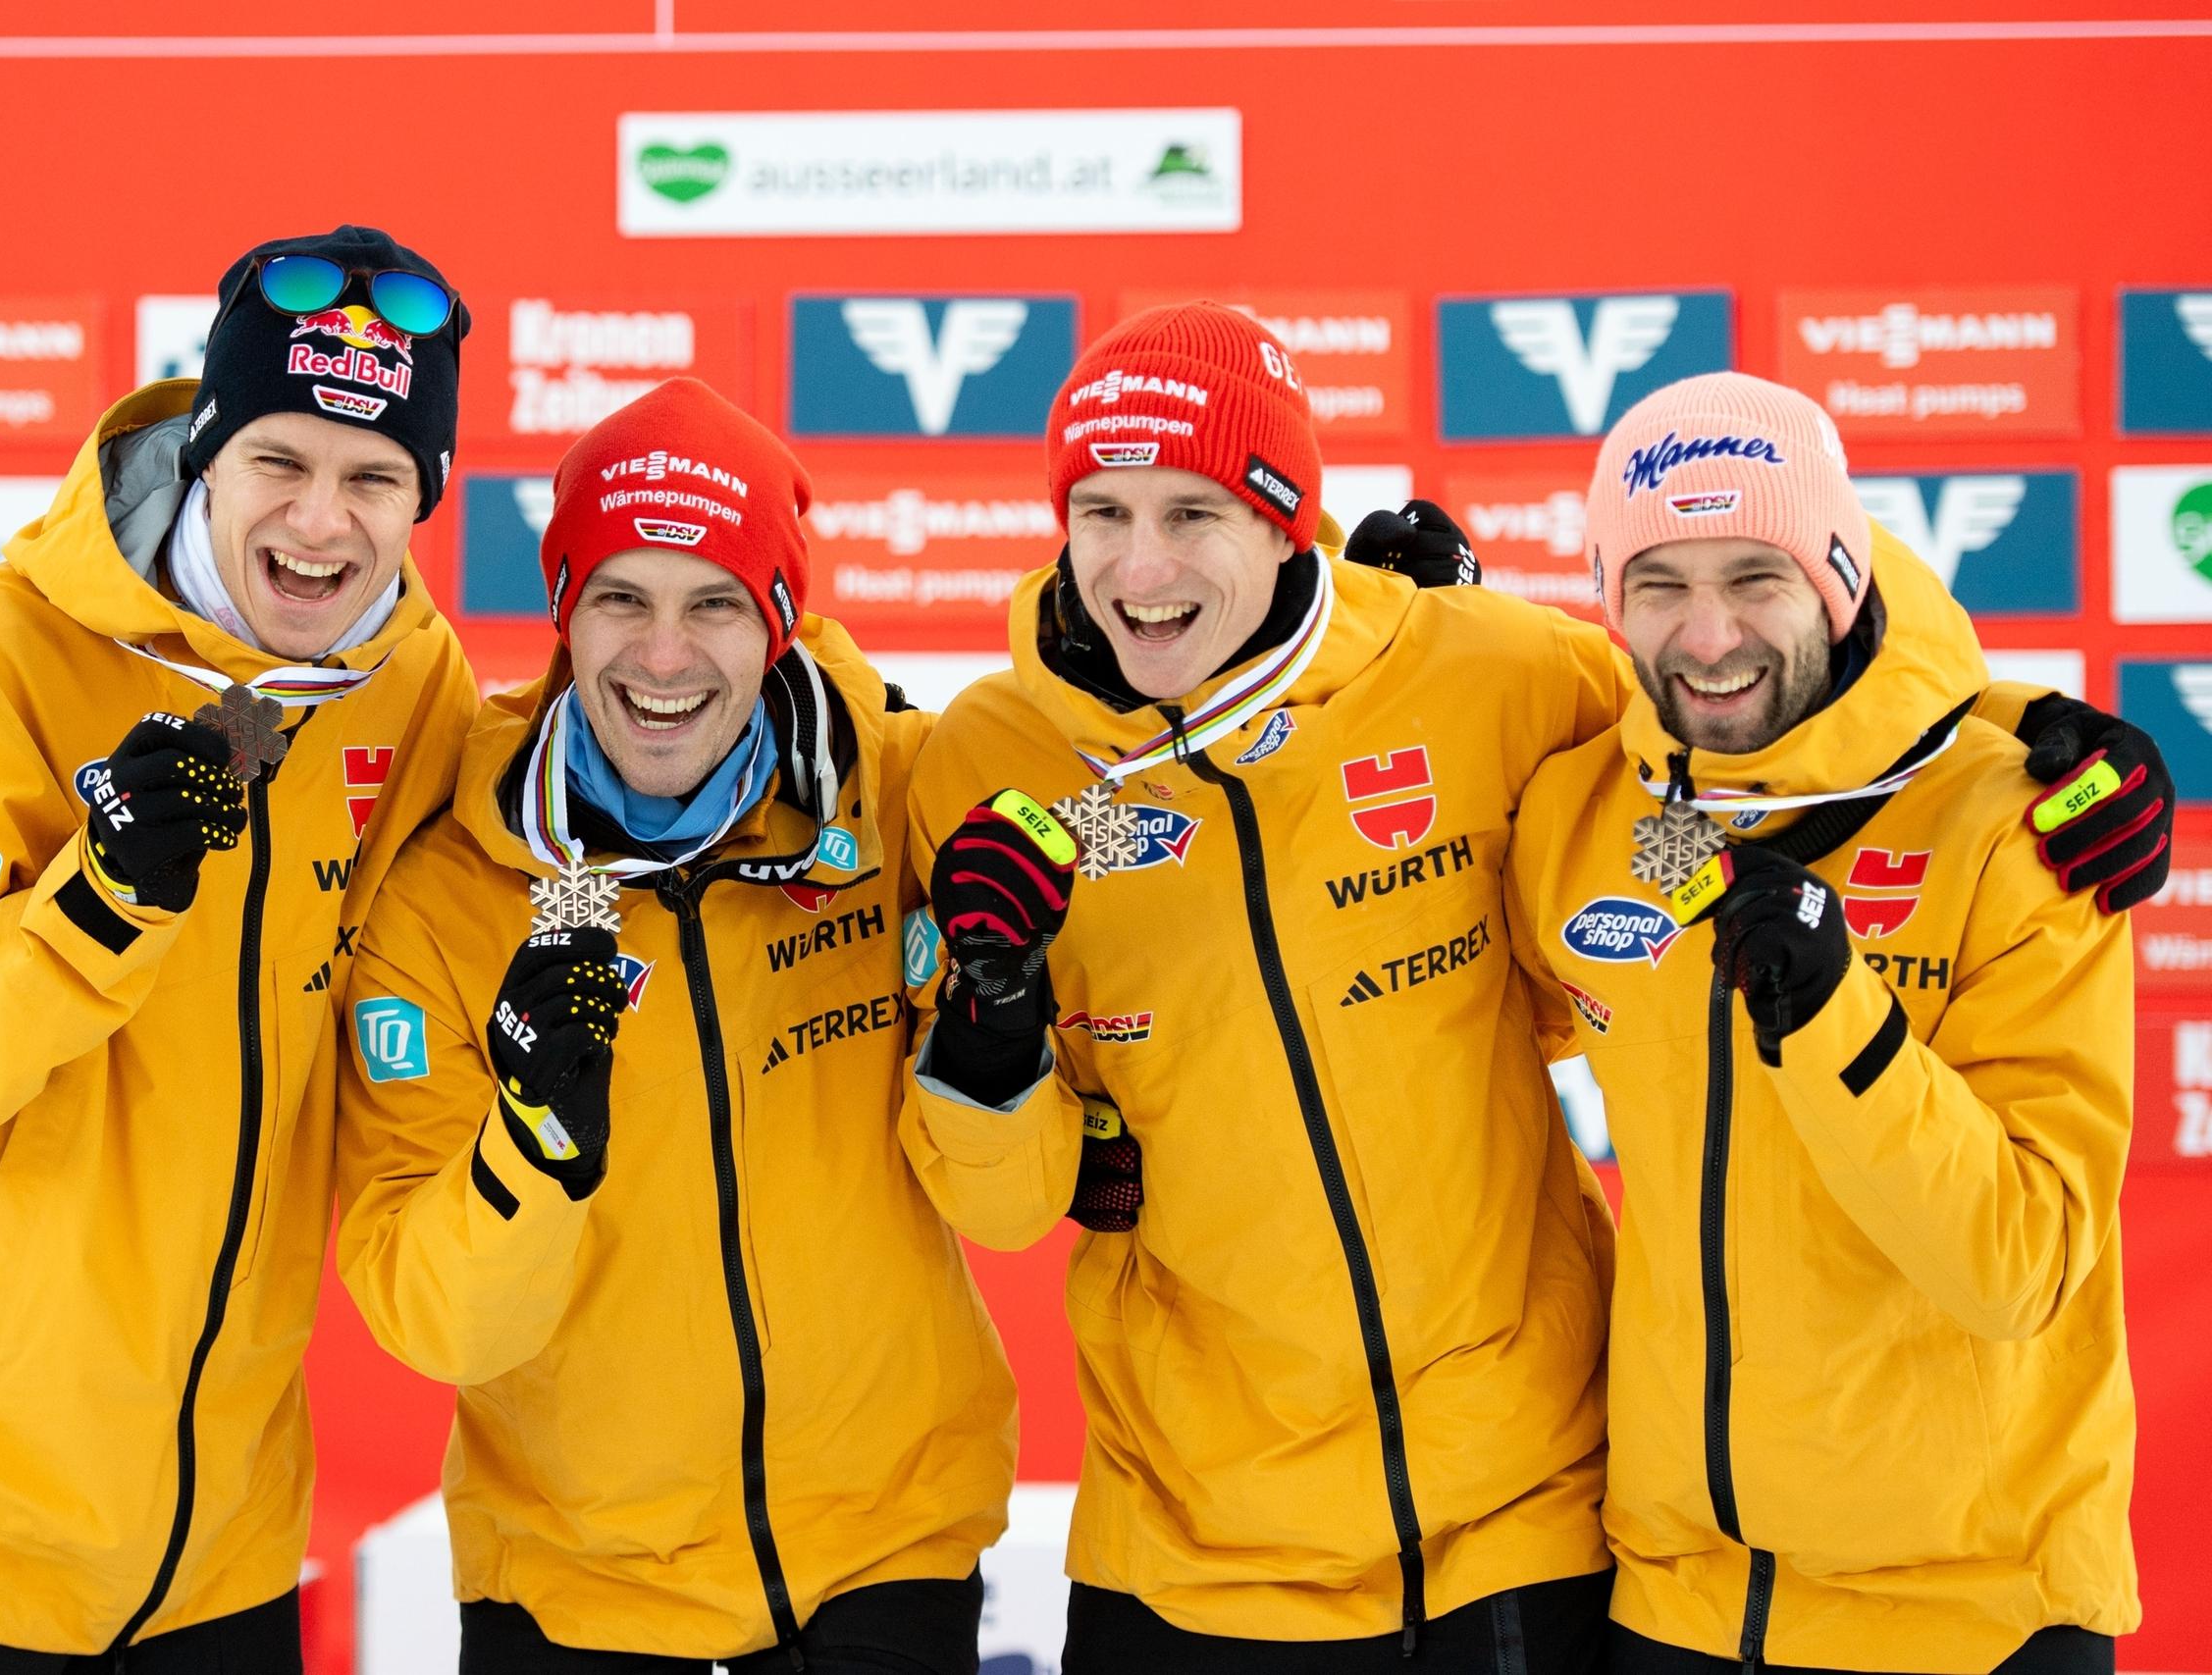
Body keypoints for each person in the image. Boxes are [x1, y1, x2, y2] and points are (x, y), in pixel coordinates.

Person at [894, 303, 2170, 1674]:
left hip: (1523, 1528)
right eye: (1100, 511)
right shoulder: (984, 768)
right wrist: (993, 1013)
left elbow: (1771, 716)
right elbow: (1000, 1199)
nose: (1140, 565)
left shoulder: (1486, 676)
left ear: (1285, 520)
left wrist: (2023, 731)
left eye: (1195, 510)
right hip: (1198, 1550)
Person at [0, 226, 480, 1669]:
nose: (323, 522)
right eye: (281, 461)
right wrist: (96, 905)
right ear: (206, 451)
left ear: (424, 501)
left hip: (214, 1551)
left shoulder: (415, 682)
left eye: (374, 478)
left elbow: (588, 781)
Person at [334, 378, 1013, 1674]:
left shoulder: (900, 800)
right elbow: (438, 1324)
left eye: (711, 603)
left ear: (780, 622)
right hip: (572, 1603)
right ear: (563, 617)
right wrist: (531, 1145)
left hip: (886, 1576)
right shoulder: (452, 895)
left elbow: (1014, 1191)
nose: (662, 656)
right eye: (621, 601)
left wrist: (1001, 1021)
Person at [1504, 372, 2139, 1674]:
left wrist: (1837, 1025)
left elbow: (2019, 1263)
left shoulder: (2017, 826)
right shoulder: (1578, 819)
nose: (1708, 633)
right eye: (1660, 583)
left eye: (1757, 574)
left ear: (1844, 580)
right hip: (1679, 1604)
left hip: (1972, 1618)